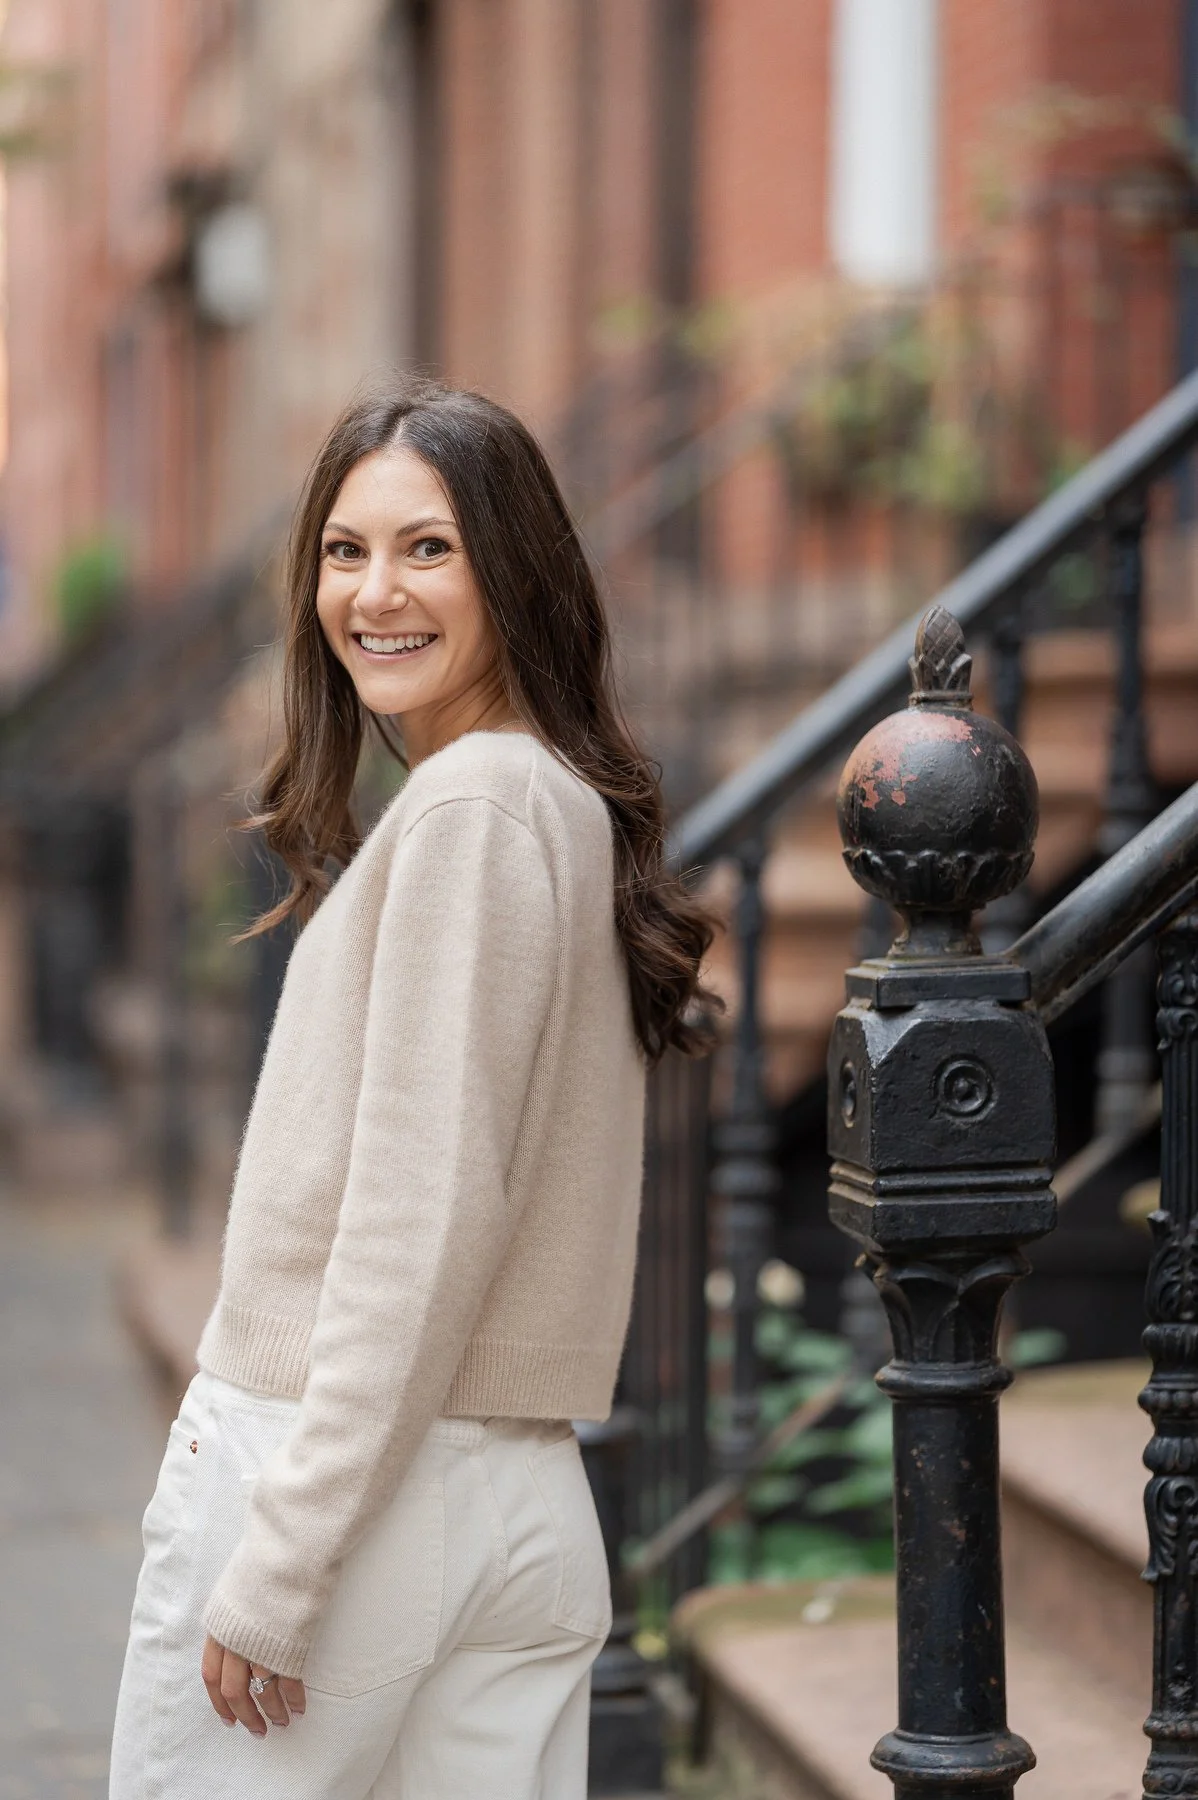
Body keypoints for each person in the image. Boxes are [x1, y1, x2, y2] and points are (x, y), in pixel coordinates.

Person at [109, 378, 713, 1799]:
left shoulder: (470, 814)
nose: (374, 594)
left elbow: (417, 1216)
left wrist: (286, 1554)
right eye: (345, 551)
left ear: (516, 570)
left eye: (428, 548)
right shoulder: (552, 800)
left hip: (349, 1484)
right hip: (512, 1496)